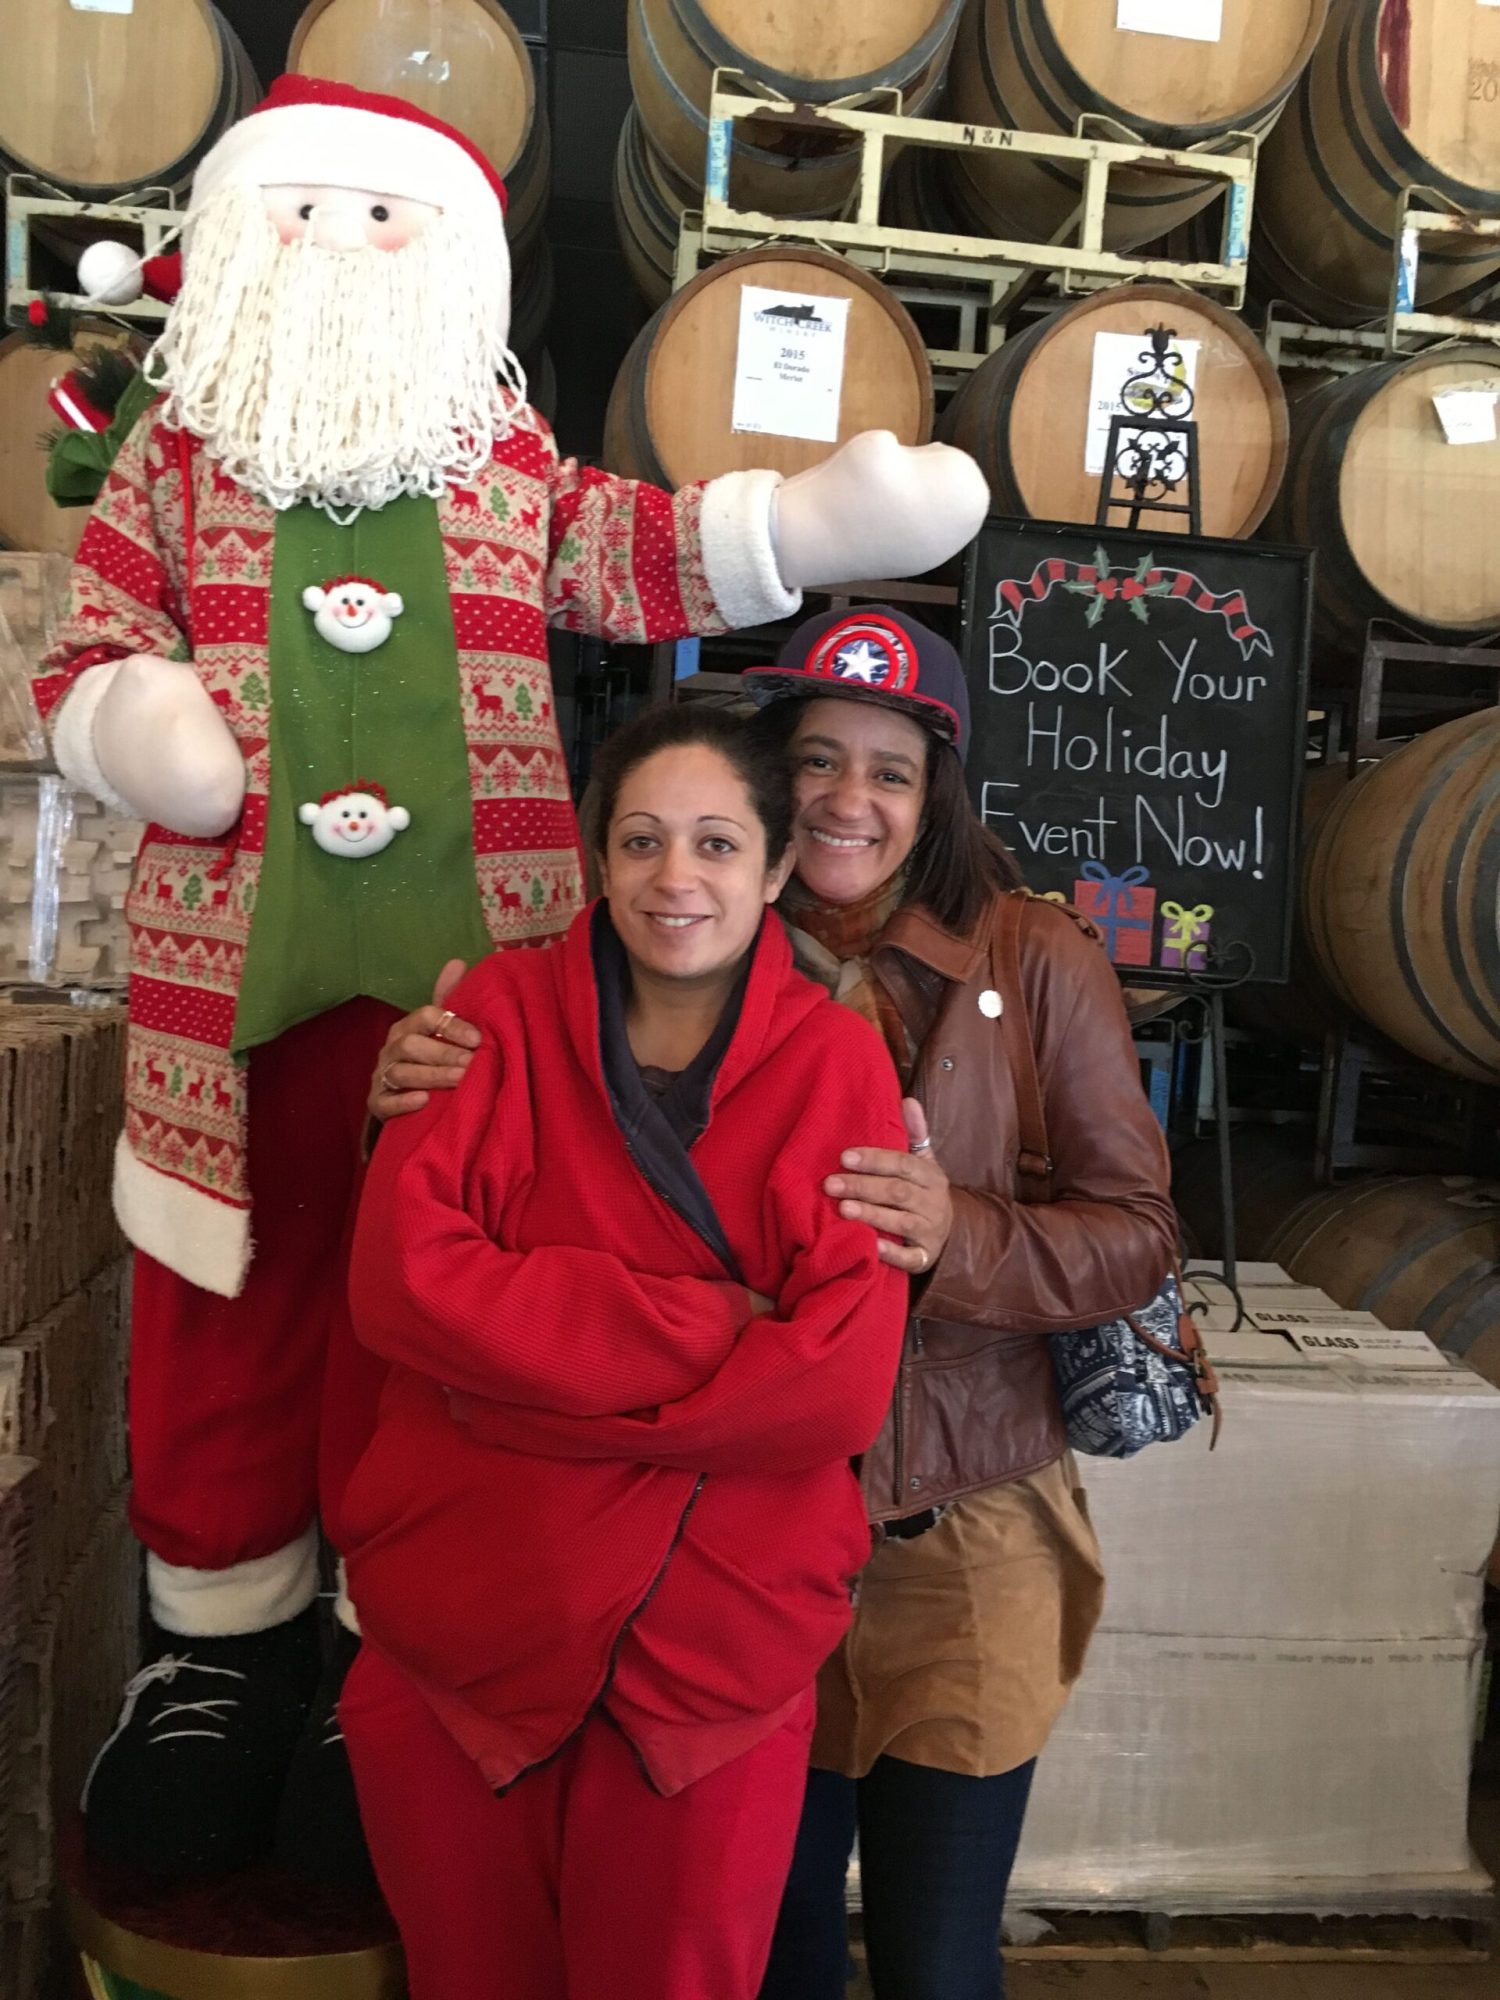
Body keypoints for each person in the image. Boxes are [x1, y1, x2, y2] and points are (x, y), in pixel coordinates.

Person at [34, 72, 988, 1878]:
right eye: (305, 211)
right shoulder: (171, 461)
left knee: (440, 1308)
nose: (343, 241)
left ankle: (377, 1644)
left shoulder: (503, 463)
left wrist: (803, 531)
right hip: (230, 999)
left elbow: (630, 551)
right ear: (236, 241)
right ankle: (217, 1656)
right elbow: (89, 642)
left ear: (453, 259)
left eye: (383, 214)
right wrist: (133, 721)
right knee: (224, 1305)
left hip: (478, 999)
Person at [373, 606, 1177, 2000]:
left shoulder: (1032, 956)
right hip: (713, 1541)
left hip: (952, 1511)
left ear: (935, 796)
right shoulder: (660, 943)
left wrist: (959, 1232)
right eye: (816, 760)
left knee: (935, 1950)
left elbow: (1140, 1235)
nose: (848, 797)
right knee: (769, 1947)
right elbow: (453, 1238)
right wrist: (404, 1088)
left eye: (890, 770)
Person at [337, 701, 911, 2000]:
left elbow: (836, 1387)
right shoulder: (492, 1014)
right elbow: (406, 1285)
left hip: (710, 1658)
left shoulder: (837, 1062)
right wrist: (719, 1329)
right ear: (598, 858)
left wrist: (511, 1386)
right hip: (469, 1620)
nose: (675, 878)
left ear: (777, 868)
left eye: (718, 844)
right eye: (642, 840)